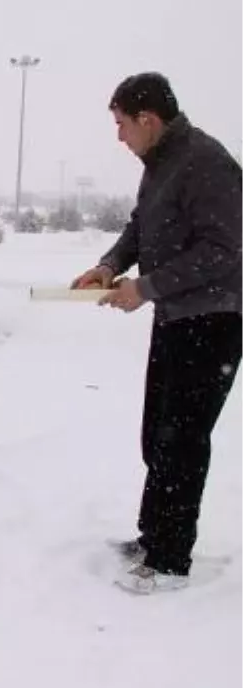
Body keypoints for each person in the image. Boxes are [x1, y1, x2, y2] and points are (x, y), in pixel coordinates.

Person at [71, 72, 243, 594]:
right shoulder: (160, 165)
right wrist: (109, 265)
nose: (119, 137)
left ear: (149, 120)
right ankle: (154, 535)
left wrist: (145, 286)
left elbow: (225, 250)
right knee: (157, 434)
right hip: (177, 317)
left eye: (122, 124)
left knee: (183, 439)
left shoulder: (205, 162)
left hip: (215, 319)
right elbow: (140, 228)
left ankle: (171, 561)